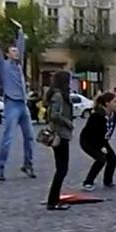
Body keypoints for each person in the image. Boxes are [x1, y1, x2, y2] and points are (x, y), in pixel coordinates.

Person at [0, 18, 36, 182]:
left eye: (17, 51)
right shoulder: (4, 65)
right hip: (11, 105)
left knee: (30, 137)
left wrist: (21, 30)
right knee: (8, 137)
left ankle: (28, 164)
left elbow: (22, 46)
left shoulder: (19, 65)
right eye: (13, 51)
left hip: (23, 105)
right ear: (8, 54)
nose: (17, 53)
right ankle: (0, 168)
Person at [43, 71, 74, 211]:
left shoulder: (57, 95)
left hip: (62, 134)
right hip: (60, 135)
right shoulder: (58, 96)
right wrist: (68, 123)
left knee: (61, 169)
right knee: (62, 169)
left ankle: (54, 199)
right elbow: (54, 115)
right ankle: (52, 200)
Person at [80, 92, 116, 191]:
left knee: (113, 159)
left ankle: (108, 181)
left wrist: (105, 144)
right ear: (107, 103)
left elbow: (108, 130)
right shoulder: (96, 116)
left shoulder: (113, 115)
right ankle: (88, 182)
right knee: (101, 159)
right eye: (115, 102)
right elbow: (93, 133)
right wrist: (101, 147)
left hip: (102, 140)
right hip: (88, 141)